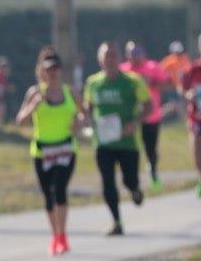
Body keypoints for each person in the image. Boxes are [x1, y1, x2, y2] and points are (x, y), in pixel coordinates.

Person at [15, 47, 89, 255]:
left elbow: (86, 115)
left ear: (61, 70)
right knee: (48, 196)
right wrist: (33, 107)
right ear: (41, 71)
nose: (52, 73)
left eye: (56, 68)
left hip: (65, 149)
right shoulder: (34, 93)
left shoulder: (70, 92)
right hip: (42, 151)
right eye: (48, 69)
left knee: (59, 189)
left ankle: (63, 235)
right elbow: (21, 121)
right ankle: (55, 235)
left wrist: (81, 122)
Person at [83, 41, 151, 235]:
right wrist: (86, 119)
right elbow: (88, 106)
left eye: (113, 55)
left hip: (127, 142)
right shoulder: (93, 82)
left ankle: (135, 190)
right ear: (99, 59)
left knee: (129, 181)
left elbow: (148, 106)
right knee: (107, 182)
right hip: (103, 142)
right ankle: (116, 221)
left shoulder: (132, 81)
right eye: (106, 56)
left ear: (120, 58)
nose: (110, 59)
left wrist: (135, 123)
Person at [121, 42, 170, 191]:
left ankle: (153, 170)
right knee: (131, 149)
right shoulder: (123, 70)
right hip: (130, 118)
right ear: (126, 55)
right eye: (132, 52)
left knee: (150, 149)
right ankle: (131, 179)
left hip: (151, 116)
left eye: (138, 51)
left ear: (143, 52)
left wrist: (152, 82)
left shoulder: (152, 67)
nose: (136, 55)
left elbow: (168, 85)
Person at [179, 34, 201, 198]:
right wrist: (189, 95)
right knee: (197, 152)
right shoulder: (192, 69)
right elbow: (182, 88)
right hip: (196, 118)